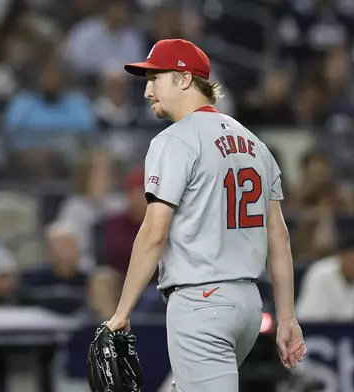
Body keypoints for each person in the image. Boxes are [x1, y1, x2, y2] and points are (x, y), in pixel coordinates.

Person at [104, 38, 306, 391]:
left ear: (184, 79)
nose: (148, 90)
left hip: (201, 305)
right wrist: (286, 315)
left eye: (156, 78)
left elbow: (154, 232)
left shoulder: (175, 140)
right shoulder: (255, 144)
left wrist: (122, 312)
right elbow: (279, 236)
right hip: (246, 306)